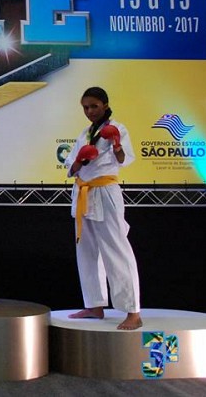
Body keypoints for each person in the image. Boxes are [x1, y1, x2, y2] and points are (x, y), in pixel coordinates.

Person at [64, 86, 142, 330]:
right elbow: (70, 168)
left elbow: (124, 160)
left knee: (116, 249)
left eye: (94, 106)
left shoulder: (117, 129)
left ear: (105, 105)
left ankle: (133, 311)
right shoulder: (84, 134)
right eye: (85, 107)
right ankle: (94, 305)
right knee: (86, 251)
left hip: (106, 192)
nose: (89, 111)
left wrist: (116, 144)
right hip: (83, 193)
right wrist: (79, 160)